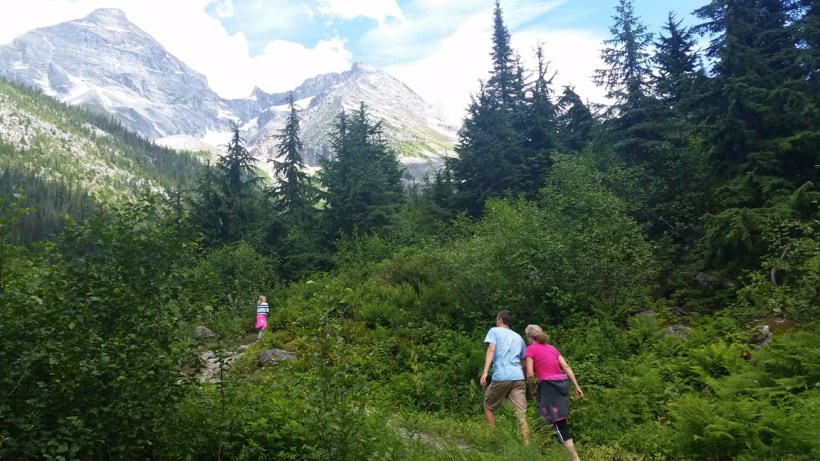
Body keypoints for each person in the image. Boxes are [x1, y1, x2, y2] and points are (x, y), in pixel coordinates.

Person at [525, 324, 584, 461]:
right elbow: (566, 367)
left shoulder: (530, 349)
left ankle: (575, 459)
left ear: (529, 337)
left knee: (557, 422)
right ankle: (544, 453)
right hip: (562, 384)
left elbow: (530, 374)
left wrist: (532, 390)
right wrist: (576, 386)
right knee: (547, 419)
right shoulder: (552, 348)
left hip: (549, 386)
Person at [480, 310, 530, 444]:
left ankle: (494, 441)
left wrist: (485, 372)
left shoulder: (494, 331)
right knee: (521, 414)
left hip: (501, 377)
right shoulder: (518, 337)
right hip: (518, 377)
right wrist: (524, 379)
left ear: (500, 320)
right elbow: (524, 362)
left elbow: (491, 350)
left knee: (488, 406)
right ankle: (527, 446)